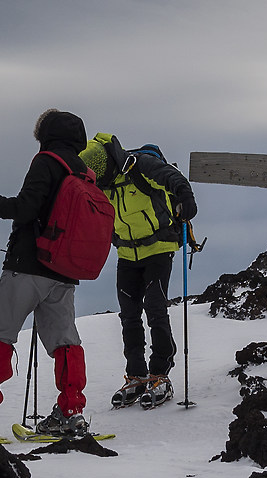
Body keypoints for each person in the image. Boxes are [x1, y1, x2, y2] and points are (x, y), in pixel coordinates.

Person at [0, 109, 97, 438]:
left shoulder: (45, 162)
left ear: (45, 134)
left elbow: (25, 208)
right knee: (65, 340)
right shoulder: (83, 171)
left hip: (28, 265)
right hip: (65, 271)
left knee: (0, 331)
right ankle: (72, 411)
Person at [83, 134, 196, 409]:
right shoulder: (99, 180)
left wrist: (186, 198)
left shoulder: (140, 166)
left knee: (155, 307)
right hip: (126, 252)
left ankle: (160, 372)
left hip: (159, 247)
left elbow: (174, 179)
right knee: (129, 314)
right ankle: (137, 374)